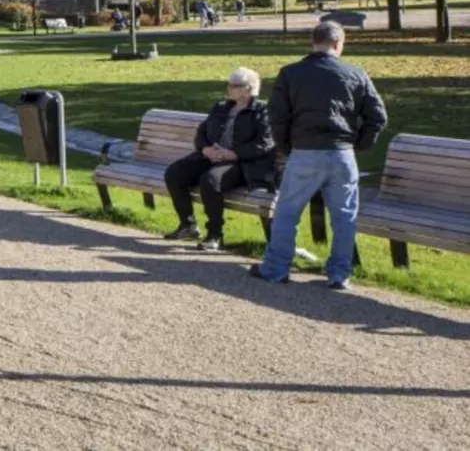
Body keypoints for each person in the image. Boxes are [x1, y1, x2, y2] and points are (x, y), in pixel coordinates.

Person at [251, 21, 388, 289]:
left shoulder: (291, 73)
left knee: (287, 212)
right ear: (339, 44)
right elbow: (377, 117)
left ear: (313, 42)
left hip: (304, 151)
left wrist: (285, 146)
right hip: (342, 153)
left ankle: (276, 268)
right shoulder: (355, 74)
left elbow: (277, 117)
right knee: (344, 216)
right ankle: (339, 274)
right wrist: (359, 144)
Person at [162, 67, 277, 251]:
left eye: (234, 85)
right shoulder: (221, 107)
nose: (229, 88)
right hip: (212, 155)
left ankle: (215, 235)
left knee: (210, 180)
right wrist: (205, 148)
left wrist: (233, 153)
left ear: (248, 89)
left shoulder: (263, 111)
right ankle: (188, 225)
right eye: (229, 84)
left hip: (243, 163)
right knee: (175, 173)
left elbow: (264, 143)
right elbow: (202, 131)